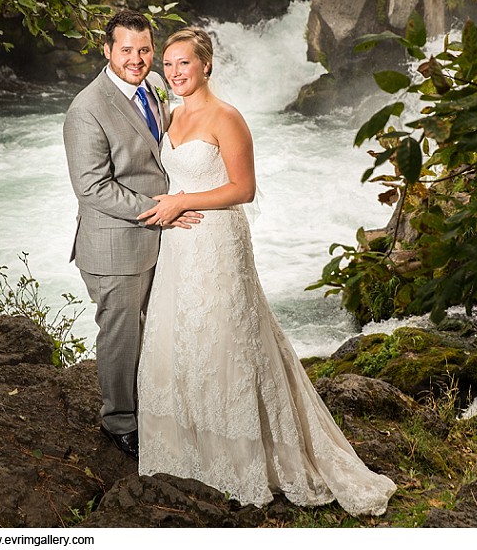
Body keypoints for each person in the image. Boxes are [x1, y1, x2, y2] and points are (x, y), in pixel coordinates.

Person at [135, 27, 397, 516]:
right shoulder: (170, 114)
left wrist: (182, 201)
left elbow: (244, 189)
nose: (173, 73)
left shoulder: (226, 117)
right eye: (167, 65)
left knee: (226, 339)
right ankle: (190, 452)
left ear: (205, 65)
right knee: (181, 339)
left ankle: (245, 459)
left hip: (217, 240)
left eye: (182, 64)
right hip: (179, 243)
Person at [62, 10, 201, 459]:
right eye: (126, 50)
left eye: (144, 50)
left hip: (159, 240)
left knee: (153, 330)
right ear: (107, 50)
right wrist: (161, 211)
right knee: (121, 336)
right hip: (115, 246)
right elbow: (92, 187)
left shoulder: (156, 85)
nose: (137, 60)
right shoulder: (86, 110)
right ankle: (118, 422)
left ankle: (153, 407)